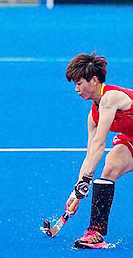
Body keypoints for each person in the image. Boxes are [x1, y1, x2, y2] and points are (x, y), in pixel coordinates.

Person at [64, 52, 133, 249]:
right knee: (110, 167)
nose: (76, 89)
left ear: (94, 80)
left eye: (79, 83)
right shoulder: (93, 115)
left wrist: (85, 181)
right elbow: (91, 154)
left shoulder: (110, 98)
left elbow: (100, 143)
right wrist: (76, 192)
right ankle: (96, 233)